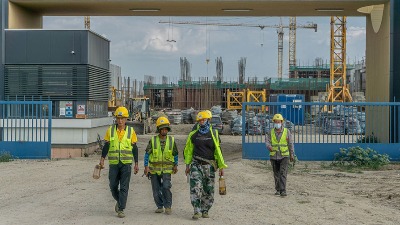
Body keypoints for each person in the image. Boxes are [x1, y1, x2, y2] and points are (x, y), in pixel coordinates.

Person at [184, 110, 228, 220]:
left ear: (208, 120)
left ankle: (205, 210)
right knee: (196, 187)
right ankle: (197, 210)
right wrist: (187, 166)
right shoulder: (193, 134)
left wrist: (221, 166)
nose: (202, 122)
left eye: (204, 120)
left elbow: (218, 150)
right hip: (196, 164)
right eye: (200, 120)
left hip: (209, 165)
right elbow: (189, 150)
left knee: (208, 190)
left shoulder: (214, 133)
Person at [99, 106, 139, 218]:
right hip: (114, 164)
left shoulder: (131, 131)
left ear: (126, 119)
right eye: (118, 118)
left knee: (124, 187)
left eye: (122, 118)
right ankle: (120, 200)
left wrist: (136, 163)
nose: (120, 121)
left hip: (126, 164)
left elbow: (134, 148)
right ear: (116, 119)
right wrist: (102, 159)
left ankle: (121, 209)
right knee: (113, 186)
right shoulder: (110, 130)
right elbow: (106, 146)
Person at [143, 116, 178, 215]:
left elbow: (175, 154)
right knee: (156, 190)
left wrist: (176, 165)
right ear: (158, 129)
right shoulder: (153, 140)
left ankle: (168, 206)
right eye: (162, 128)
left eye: (165, 128)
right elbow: (147, 154)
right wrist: (146, 167)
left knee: (166, 187)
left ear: (168, 129)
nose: (164, 130)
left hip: (167, 169)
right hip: (154, 170)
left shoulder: (171, 140)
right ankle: (159, 206)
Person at [265, 113, 294, 197]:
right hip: (274, 155)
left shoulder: (286, 131)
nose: (277, 123)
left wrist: (292, 154)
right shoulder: (270, 132)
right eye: (276, 122)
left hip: (284, 155)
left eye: (279, 122)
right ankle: (278, 189)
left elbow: (290, 143)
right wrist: (269, 146)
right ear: (274, 122)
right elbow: (267, 141)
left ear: (282, 122)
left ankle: (283, 190)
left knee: (283, 173)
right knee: (276, 173)